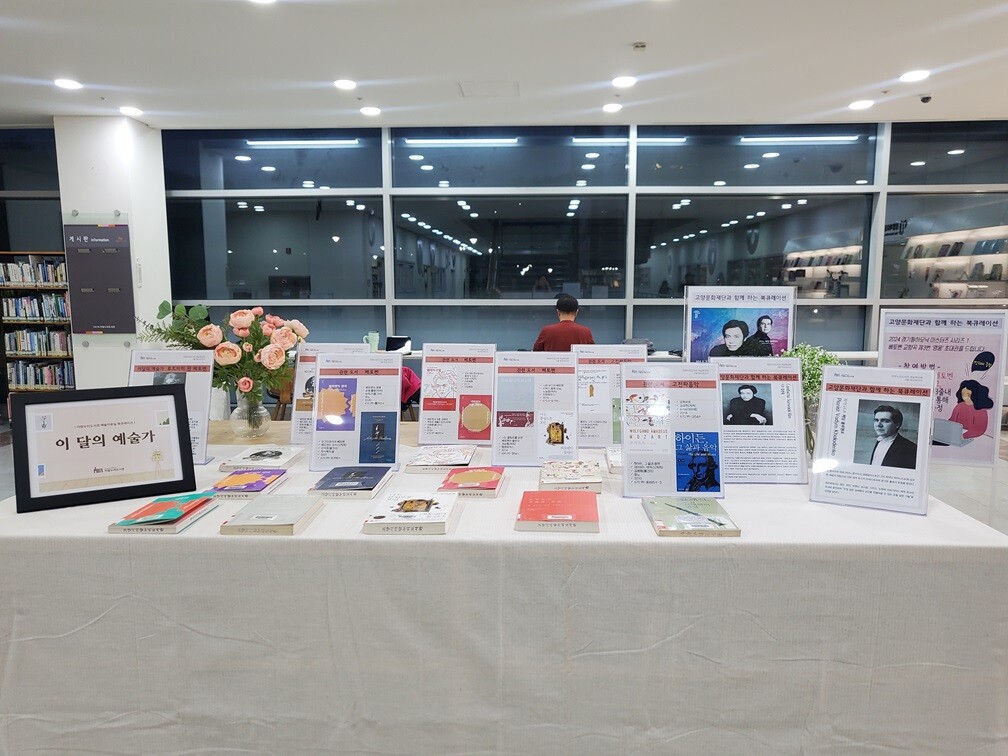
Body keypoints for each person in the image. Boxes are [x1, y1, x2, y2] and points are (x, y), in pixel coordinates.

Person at [869, 404, 917, 469]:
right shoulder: (879, 441)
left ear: (897, 425)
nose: (878, 424)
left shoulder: (911, 449)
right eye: (876, 420)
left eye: (885, 421)